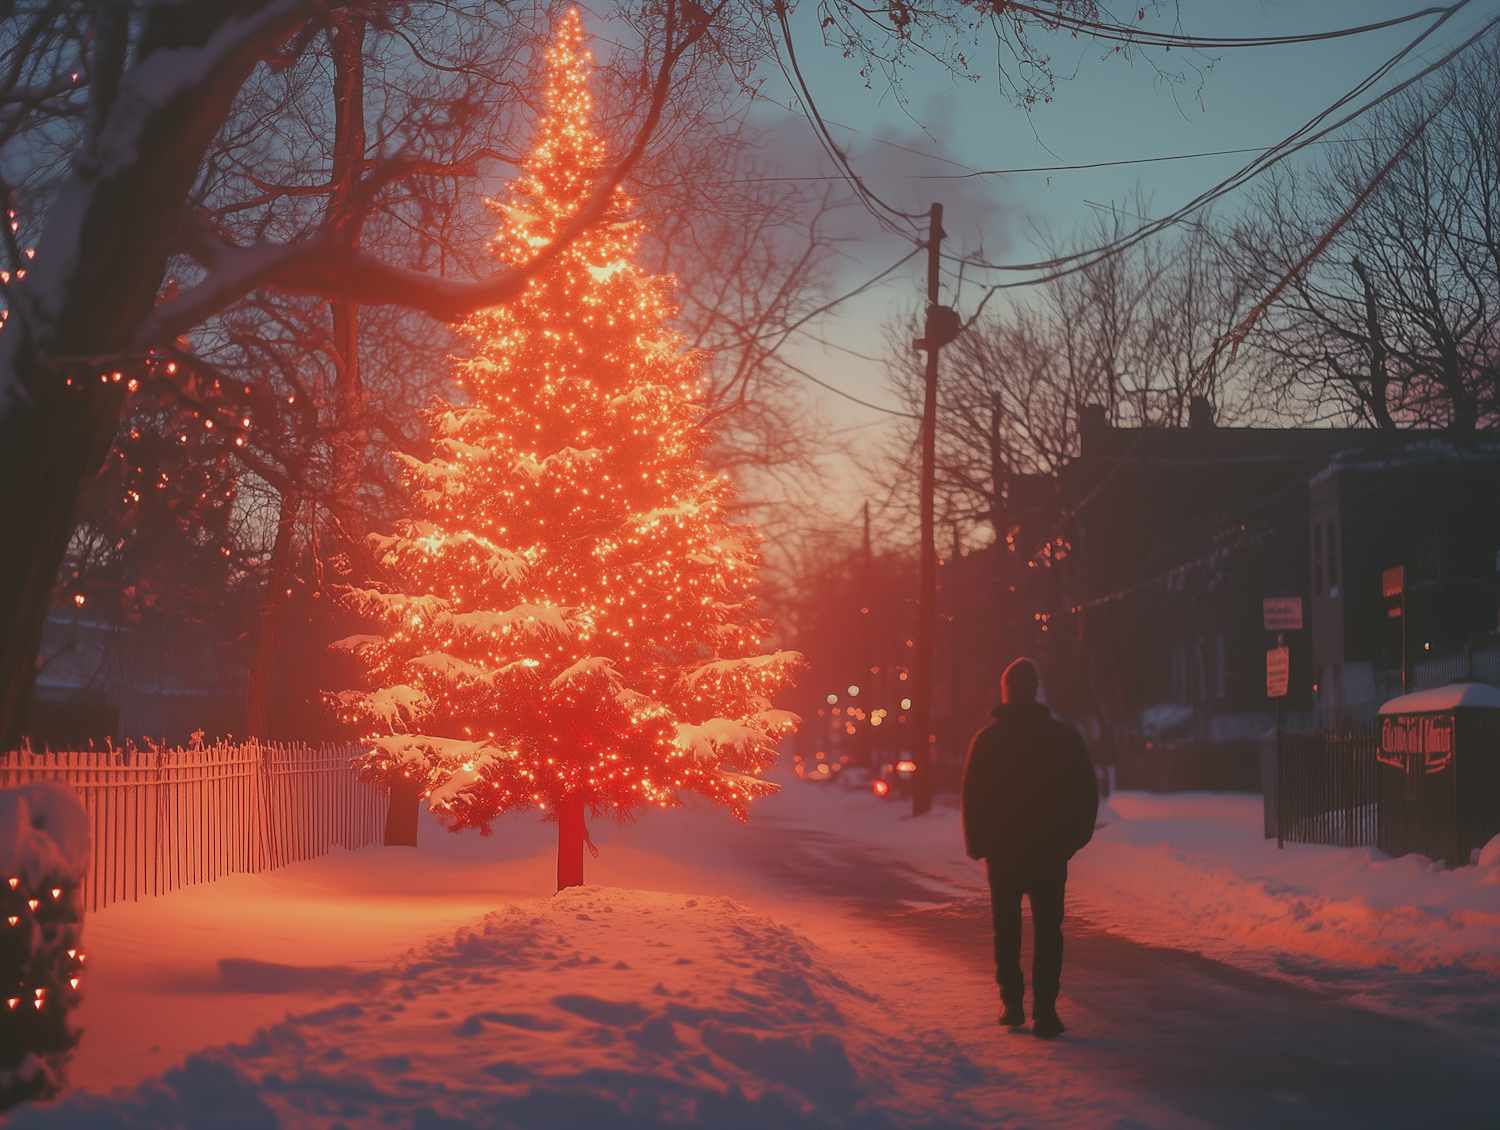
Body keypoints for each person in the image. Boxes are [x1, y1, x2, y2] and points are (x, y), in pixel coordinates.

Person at [961, 657, 1098, 1038]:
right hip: (1048, 854)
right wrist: (1070, 842)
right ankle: (1045, 1010)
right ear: (1036, 689)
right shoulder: (1064, 737)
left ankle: (1011, 1002)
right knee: (1048, 930)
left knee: (1006, 930)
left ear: (1005, 691)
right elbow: (1086, 794)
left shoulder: (986, 740)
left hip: (1003, 857)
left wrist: (979, 844)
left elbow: (973, 798)